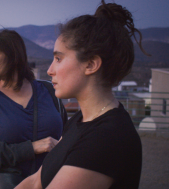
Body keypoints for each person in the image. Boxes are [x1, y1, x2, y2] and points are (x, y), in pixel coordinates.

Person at [16, 1, 150, 189]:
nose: (50, 70)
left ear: (91, 64)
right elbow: (35, 181)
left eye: (58, 59)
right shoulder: (81, 120)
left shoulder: (107, 138)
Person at [0, 29, 67, 188]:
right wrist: (32, 147)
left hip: (55, 182)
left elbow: (66, 136)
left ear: (13, 54)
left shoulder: (49, 90)